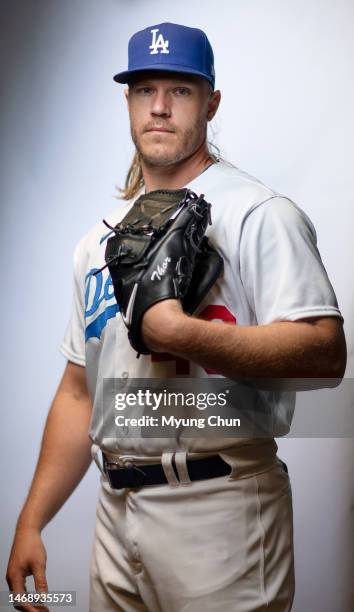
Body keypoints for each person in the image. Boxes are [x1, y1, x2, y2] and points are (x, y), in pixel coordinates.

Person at [6, 21, 346, 612]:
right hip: (116, 512)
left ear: (211, 102)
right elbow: (81, 392)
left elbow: (326, 353)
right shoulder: (98, 242)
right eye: (145, 90)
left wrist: (182, 334)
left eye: (181, 90)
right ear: (128, 101)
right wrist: (32, 519)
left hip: (220, 507)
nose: (160, 107)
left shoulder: (258, 213)